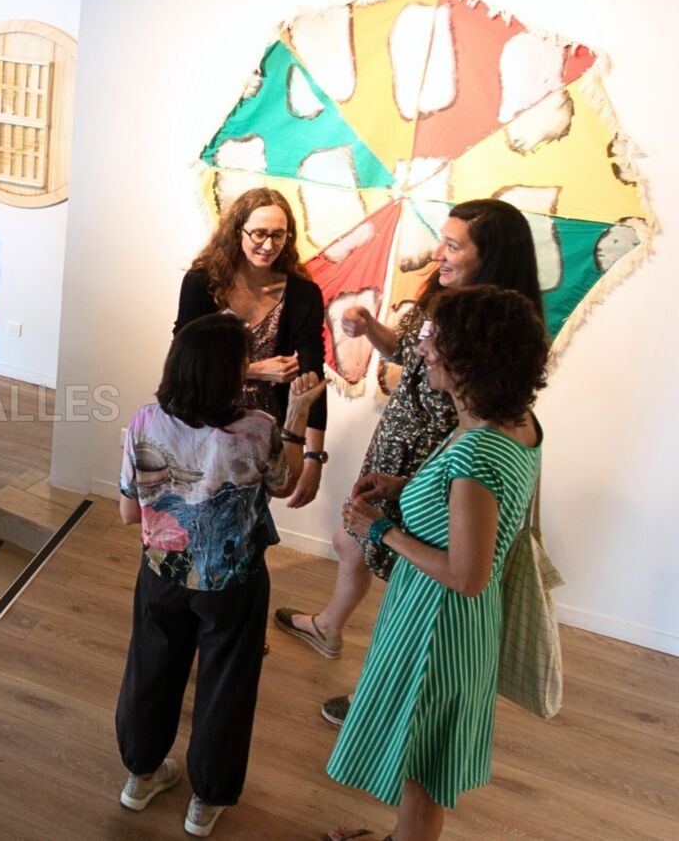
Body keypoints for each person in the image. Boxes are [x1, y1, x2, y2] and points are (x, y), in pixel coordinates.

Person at [273, 198, 543, 725]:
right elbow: (412, 354)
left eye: (453, 245)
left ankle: (382, 692)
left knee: (412, 586)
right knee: (352, 542)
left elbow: (462, 575)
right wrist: (373, 329)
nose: (437, 253)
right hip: (399, 452)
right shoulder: (447, 304)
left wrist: (411, 490)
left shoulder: (492, 331)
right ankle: (331, 627)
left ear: (490, 258)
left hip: (430, 462)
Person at [323, 286, 549, 841]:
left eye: (433, 339)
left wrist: (378, 528)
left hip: (437, 627)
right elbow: (470, 503)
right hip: (446, 621)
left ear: (470, 355)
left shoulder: (476, 450)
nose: (421, 349)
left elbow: (467, 576)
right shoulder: (513, 423)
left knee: (421, 769)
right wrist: (404, 486)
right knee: (421, 758)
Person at [115, 314, 325, 838]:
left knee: (152, 669)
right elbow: (284, 485)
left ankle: (140, 777)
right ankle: (206, 802)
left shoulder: (144, 420)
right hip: (233, 582)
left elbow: (127, 513)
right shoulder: (257, 429)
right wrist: (297, 415)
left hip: (163, 572)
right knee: (226, 685)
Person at [176, 187, 329, 508]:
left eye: (278, 235)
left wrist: (313, 455)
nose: (269, 245)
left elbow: (313, 376)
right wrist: (256, 370)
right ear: (238, 231)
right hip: (201, 420)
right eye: (259, 233)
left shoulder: (303, 294)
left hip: (264, 435)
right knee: (187, 516)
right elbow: (182, 362)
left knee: (245, 523)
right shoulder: (203, 282)